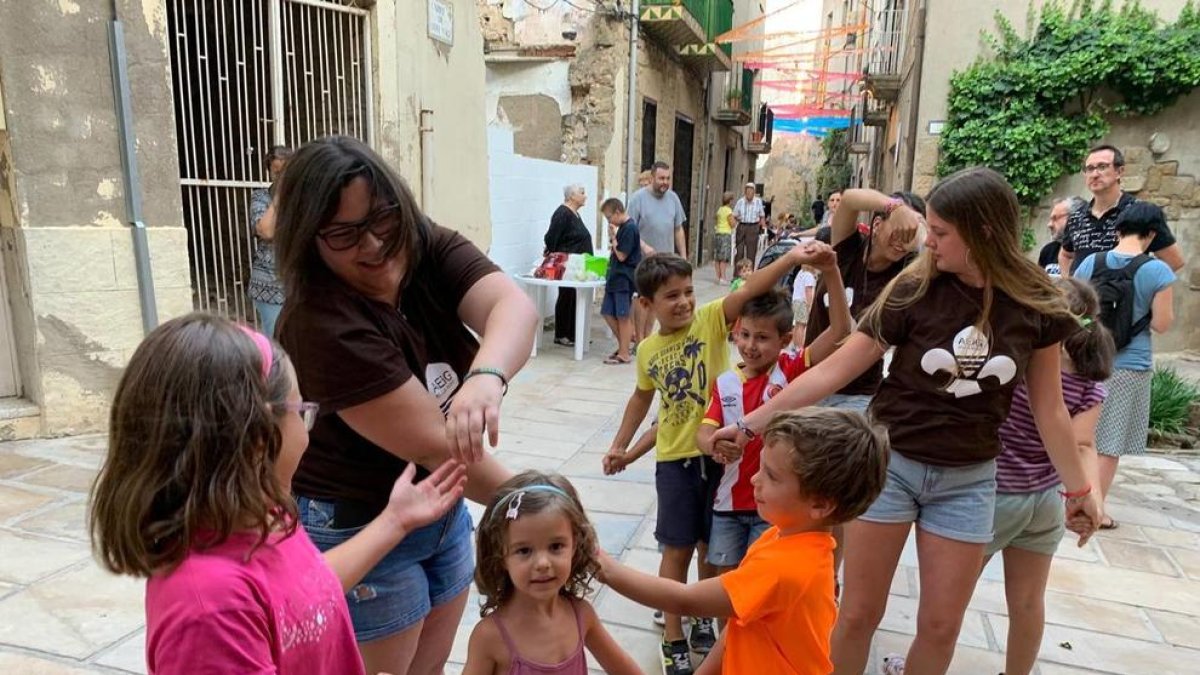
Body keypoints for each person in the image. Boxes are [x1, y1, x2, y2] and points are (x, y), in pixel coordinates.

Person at [711, 167, 1103, 675]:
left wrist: (1078, 491)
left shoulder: (1037, 301)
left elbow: (1049, 408)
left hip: (969, 479)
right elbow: (834, 369)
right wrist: (749, 426)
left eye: (940, 233)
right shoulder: (914, 287)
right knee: (857, 614)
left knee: (941, 627)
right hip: (892, 467)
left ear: (984, 232)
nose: (929, 244)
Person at [271, 136, 537, 674]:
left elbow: (513, 307)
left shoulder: (420, 242)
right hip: (359, 524)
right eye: (344, 234)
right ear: (309, 239)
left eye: (381, 219)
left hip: (438, 507)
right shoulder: (322, 323)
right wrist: (537, 507)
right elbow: (443, 447)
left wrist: (486, 376)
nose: (373, 245)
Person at [89, 314, 468, 674]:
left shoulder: (261, 515)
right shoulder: (211, 609)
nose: (308, 433)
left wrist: (394, 521)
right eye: (302, 411)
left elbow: (301, 594)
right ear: (255, 440)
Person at [601, 244, 835, 675]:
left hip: (723, 460)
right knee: (677, 547)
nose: (684, 301)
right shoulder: (648, 350)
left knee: (713, 544)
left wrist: (791, 259)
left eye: (688, 291)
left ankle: (705, 620)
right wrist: (622, 446)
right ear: (646, 304)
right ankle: (674, 634)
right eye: (671, 296)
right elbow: (642, 399)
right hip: (676, 459)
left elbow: (752, 289)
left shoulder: (710, 320)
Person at [599, 409, 890, 675]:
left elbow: (683, 599)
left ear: (820, 504)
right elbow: (741, 619)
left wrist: (603, 566)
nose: (754, 479)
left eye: (772, 476)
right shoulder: (788, 538)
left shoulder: (785, 568)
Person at [987, 277, 1114, 675]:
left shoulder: (1023, 366)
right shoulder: (1089, 382)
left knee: (948, 597)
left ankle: (923, 662)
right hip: (1043, 502)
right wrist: (1091, 498)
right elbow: (1082, 444)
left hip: (994, 495)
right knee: (1027, 602)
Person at [697, 269, 850, 580]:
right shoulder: (724, 383)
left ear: (785, 339)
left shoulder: (791, 370)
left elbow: (840, 331)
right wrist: (714, 445)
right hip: (728, 504)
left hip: (775, 508)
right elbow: (703, 433)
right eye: (745, 335)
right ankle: (725, 631)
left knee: (763, 580)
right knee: (726, 583)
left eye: (763, 338)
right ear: (735, 333)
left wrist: (832, 272)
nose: (751, 345)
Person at [463, 471, 641, 675]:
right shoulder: (490, 637)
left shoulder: (581, 615)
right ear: (501, 556)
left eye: (556, 546)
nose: (542, 563)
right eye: (524, 550)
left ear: (574, 545)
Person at [1073, 201, 1176, 530]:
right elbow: (1161, 323)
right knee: (1110, 443)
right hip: (1130, 364)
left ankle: (1072, 495)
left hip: (1088, 359)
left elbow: (1071, 307)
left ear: (1118, 229)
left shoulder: (1091, 262)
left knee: (1080, 435)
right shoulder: (1158, 271)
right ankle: (1097, 509)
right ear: (1151, 234)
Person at [803, 189, 926, 413]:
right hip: (807, 379)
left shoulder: (907, 278)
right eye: (899, 230)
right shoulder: (847, 248)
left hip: (858, 395)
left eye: (911, 235)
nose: (903, 242)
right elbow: (849, 199)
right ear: (877, 224)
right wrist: (895, 207)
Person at [1059, 144, 1185, 275]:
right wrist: (1069, 285)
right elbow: (1066, 255)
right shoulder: (1077, 216)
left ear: (1119, 172)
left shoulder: (1140, 213)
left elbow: (1174, 261)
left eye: (1102, 167)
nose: (1095, 174)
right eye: (1089, 169)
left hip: (1124, 294)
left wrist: (1140, 286)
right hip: (1083, 295)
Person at [629, 161, 688, 342]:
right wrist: (645, 247)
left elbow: (678, 229)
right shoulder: (638, 198)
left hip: (666, 260)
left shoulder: (673, 199)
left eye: (668, 178)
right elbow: (628, 229)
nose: (665, 182)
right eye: (661, 178)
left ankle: (648, 336)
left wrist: (683, 257)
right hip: (643, 260)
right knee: (642, 298)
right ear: (652, 177)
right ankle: (639, 339)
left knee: (657, 299)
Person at [248, 145, 293, 336]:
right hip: (269, 286)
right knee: (275, 341)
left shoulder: (302, 199)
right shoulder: (261, 198)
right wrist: (281, 194)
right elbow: (266, 231)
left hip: (298, 286)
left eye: (287, 172)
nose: (282, 177)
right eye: (277, 173)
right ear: (270, 173)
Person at [544, 184, 595, 347]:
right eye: (582, 193)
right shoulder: (562, 213)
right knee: (567, 296)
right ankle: (562, 334)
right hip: (568, 265)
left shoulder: (575, 214)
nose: (585, 196)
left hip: (578, 265)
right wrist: (557, 254)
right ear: (572, 196)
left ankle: (574, 333)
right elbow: (551, 237)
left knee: (574, 297)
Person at [601, 198, 642, 365]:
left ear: (618, 212)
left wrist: (613, 239)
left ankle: (624, 353)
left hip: (624, 278)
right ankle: (624, 344)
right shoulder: (623, 228)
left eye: (609, 217)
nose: (609, 221)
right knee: (608, 312)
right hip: (615, 277)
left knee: (622, 316)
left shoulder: (630, 228)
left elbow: (622, 255)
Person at [1038, 196, 1082, 277]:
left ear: (1075, 217)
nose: (1049, 225)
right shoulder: (1048, 251)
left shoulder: (1089, 251)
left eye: (1055, 218)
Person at [732, 183, 766, 263]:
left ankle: (750, 274)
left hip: (753, 227)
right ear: (745, 192)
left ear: (754, 192)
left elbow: (762, 216)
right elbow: (734, 215)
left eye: (751, 191)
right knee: (739, 252)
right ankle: (738, 274)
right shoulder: (740, 201)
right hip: (742, 226)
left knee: (751, 252)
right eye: (747, 191)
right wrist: (737, 219)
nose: (749, 194)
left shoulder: (758, 202)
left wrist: (763, 227)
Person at [791, 264, 817, 348]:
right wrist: (810, 305)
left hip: (795, 300)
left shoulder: (800, 273)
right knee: (802, 325)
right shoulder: (809, 276)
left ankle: (795, 345)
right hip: (803, 301)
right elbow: (808, 291)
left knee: (797, 324)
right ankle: (799, 346)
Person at [713, 191, 735, 283]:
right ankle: (723, 277)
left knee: (718, 256)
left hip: (718, 233)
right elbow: (732, 223)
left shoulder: (720, 210)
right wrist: (736, 220)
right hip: (725, 234)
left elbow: (716, 219)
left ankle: (718, 277)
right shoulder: (728, 211)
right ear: (729, 201)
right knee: (724, 257)